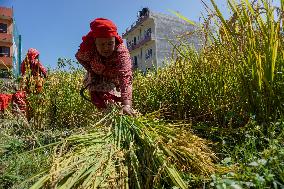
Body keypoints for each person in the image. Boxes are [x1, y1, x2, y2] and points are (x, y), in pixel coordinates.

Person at [75, 18, 135, 116]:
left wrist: (127, 105)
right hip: (98, 77)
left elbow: (125, 76)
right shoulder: (89, 51)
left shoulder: (121, 52)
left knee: (120, 104)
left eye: (110, 43)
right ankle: (108, 120)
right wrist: (91, 71)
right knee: (103, 102)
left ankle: (121, 116)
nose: (106, 48)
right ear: (95, 42)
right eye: (102, 44)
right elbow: (80, 58)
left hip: (116, 80)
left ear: (115, 41)